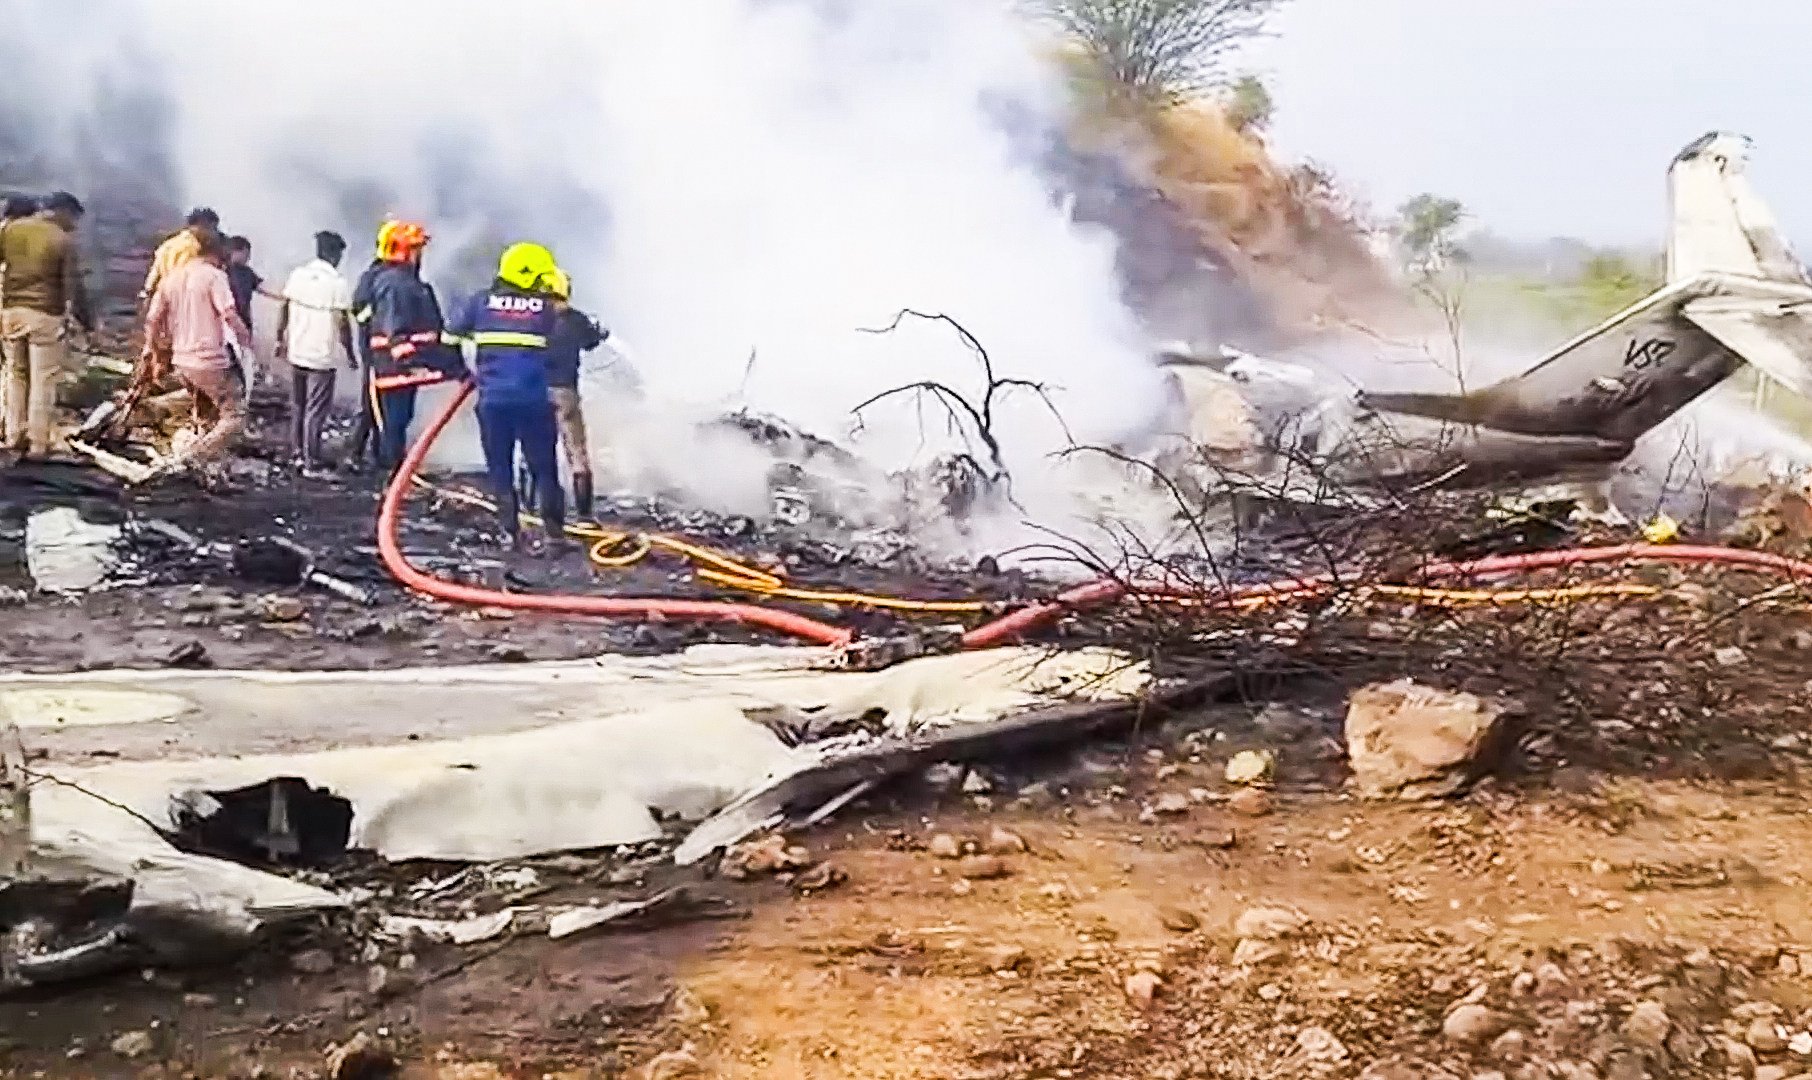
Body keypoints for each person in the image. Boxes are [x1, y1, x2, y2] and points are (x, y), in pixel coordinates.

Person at [445, 243, 565, 552]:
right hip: (533, 402)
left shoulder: (480, 302)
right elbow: (564, 345)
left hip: (493, 402)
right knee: (544, 468)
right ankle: (554, 535)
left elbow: (448, 338)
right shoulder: (545, 309)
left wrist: (463, 372)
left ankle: (510, 534)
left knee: (500, 468)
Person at [140, 233, 252, 483]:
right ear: (219, 251)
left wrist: (152, 348)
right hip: (209, 360)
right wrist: (246, 341)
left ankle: (205, 469)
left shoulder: (173, 276)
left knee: (204, 412)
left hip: (183, 360)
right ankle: (191, 457)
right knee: (235, 416)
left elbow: (152, 318)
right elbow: (229, 315)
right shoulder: (215, 277)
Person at [0, 192, 93, 461]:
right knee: (43, 379)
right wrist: (85, 321)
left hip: (10, 312)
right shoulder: (62, 239)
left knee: (15, 374)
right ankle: (38, 443)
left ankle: (13, 435)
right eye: (74, 219)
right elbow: (72, 286)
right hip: (44, 315)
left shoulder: (11, 230)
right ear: (63, 211)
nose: (74, 225)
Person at [366, 220, 462, 475]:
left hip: (402, 369)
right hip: (397, 369)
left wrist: (447, 363)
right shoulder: (396, 284)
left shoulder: (405, 282)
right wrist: (414, 361)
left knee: (400, 421)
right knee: (395, 424)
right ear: (403, 250)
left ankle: (394, 475)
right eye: (417, 249)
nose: (420, 255)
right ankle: (392, 479)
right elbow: (396, 330)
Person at [275, 230, 355, 479]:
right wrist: (350, 353)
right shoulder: (337, 284)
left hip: (297, 351)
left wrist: (280, 338)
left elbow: (284, 308)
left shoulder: (298, 276)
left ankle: (297, 453)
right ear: (335, 254)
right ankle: (311, 462)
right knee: (315, 410)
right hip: (321, 356)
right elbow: (343, 323)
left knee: (298, 405)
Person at [543, 267, 606, 521]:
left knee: (535, 454)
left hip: (535, 391)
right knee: (577, 453)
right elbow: (592, 341)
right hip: (565, 391)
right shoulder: (574, 319)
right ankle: (585, 515)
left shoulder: (530, 318)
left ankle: (538, 510)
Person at [344, 220, 396, 473]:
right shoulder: (374, 276)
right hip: (376, 354)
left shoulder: (390, 276)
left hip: (386, 354)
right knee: (371, 404)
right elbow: (360, 310)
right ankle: (356, 452)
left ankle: (379, 454)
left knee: (383, 407)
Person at [140, 207, 221, 308]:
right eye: (212, 228)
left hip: (164, 300)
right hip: (185, 302)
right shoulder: (195, 247)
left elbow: (152, 279)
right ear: (203, 225)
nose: (214, 233)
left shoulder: (167, 245)